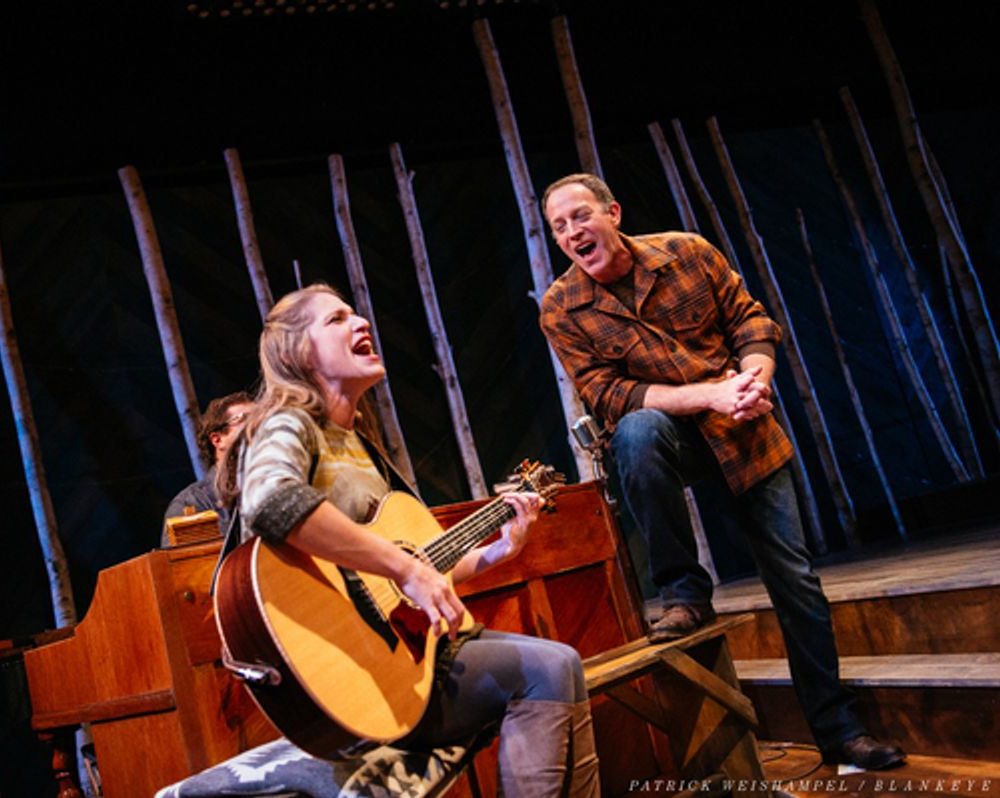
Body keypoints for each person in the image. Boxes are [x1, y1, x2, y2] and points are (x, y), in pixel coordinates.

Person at [537, 173, 905, 771]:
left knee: (796, 581)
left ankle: (838, 730)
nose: (573, 232)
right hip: (670, 434)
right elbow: (608, 394)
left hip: (744, 430)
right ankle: (684, 592)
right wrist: (709, 395)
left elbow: (750, 322)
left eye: (581, 216)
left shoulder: (687, 252)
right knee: (634, 431)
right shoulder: (562, 308)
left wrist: (753, 380)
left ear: (613, 212)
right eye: (560, 226)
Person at [216, 284, 601, 797]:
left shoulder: (362, 447)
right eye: (336, 320)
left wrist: (498, 550)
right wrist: (402, 569)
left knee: (566, 665)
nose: (361, 324)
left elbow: (425, 564)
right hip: (358, 671)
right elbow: (270, 503)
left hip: (414, 650)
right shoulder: (289, 423)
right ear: (298, 351)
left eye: (357, 315)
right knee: (547, 669)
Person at [161, 391, 254, 547]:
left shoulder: (278, 483)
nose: (258, 424)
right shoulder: (191, 504)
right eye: (244, 419)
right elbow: (188, 569)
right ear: (217, 440)